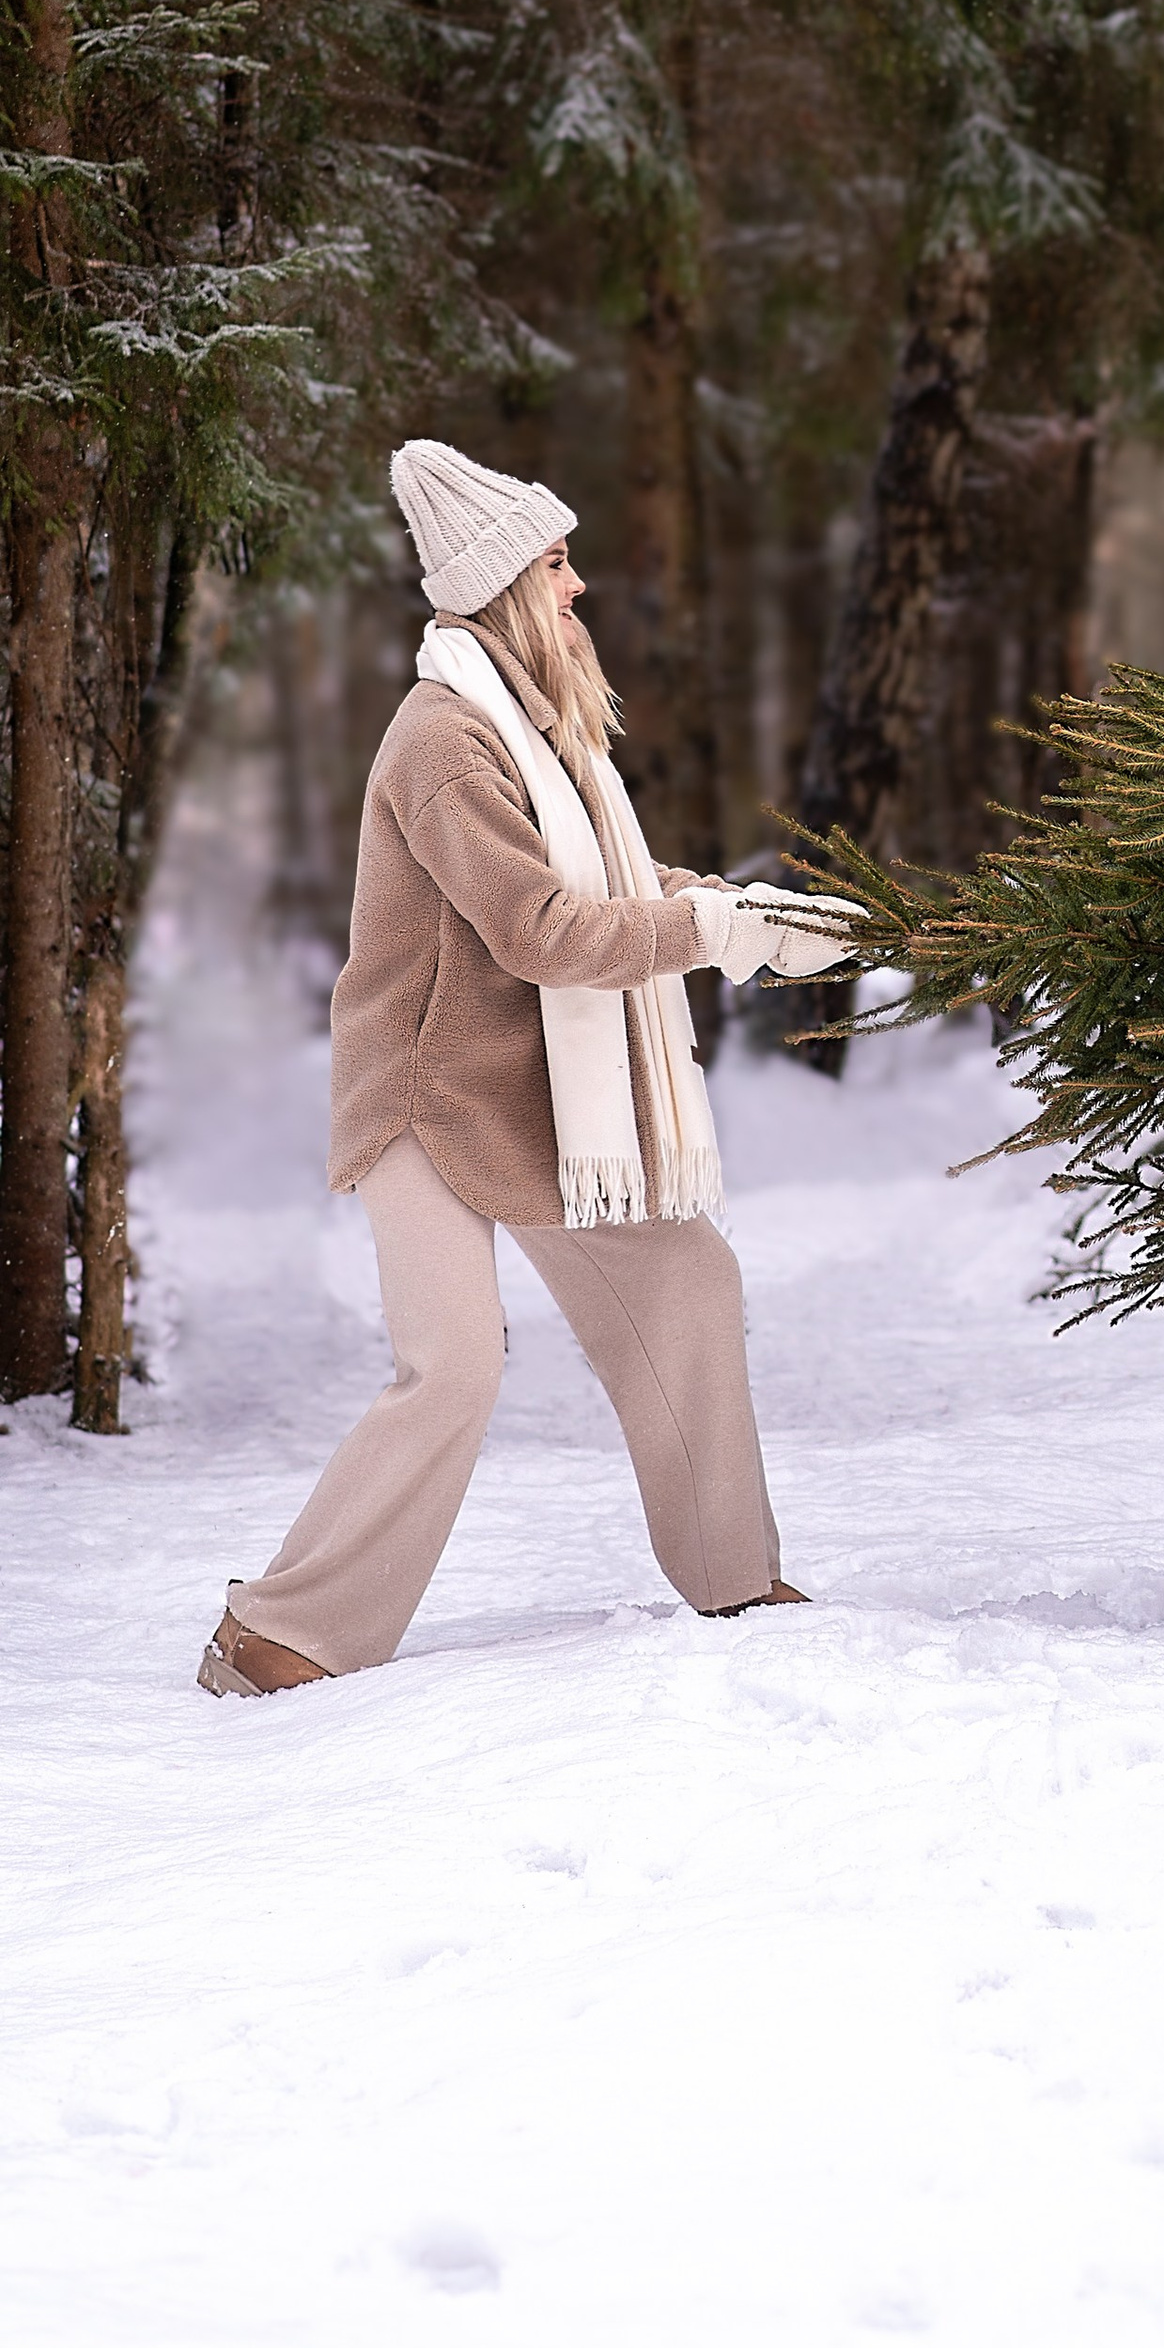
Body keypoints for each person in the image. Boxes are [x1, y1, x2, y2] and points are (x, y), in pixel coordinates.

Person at [198, 440, 855, 1696]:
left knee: (686, 1282)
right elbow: (542, 931)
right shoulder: (444, 741)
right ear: (504, 587)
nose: (579, 585)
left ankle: (731, 1576)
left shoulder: (539, 736)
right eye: (557, 562)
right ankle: (277, 1632)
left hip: (522, 1094)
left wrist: (747, 913)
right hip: (419, 1097)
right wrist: (713, 933)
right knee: (454, 1363)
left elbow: (601, 888)